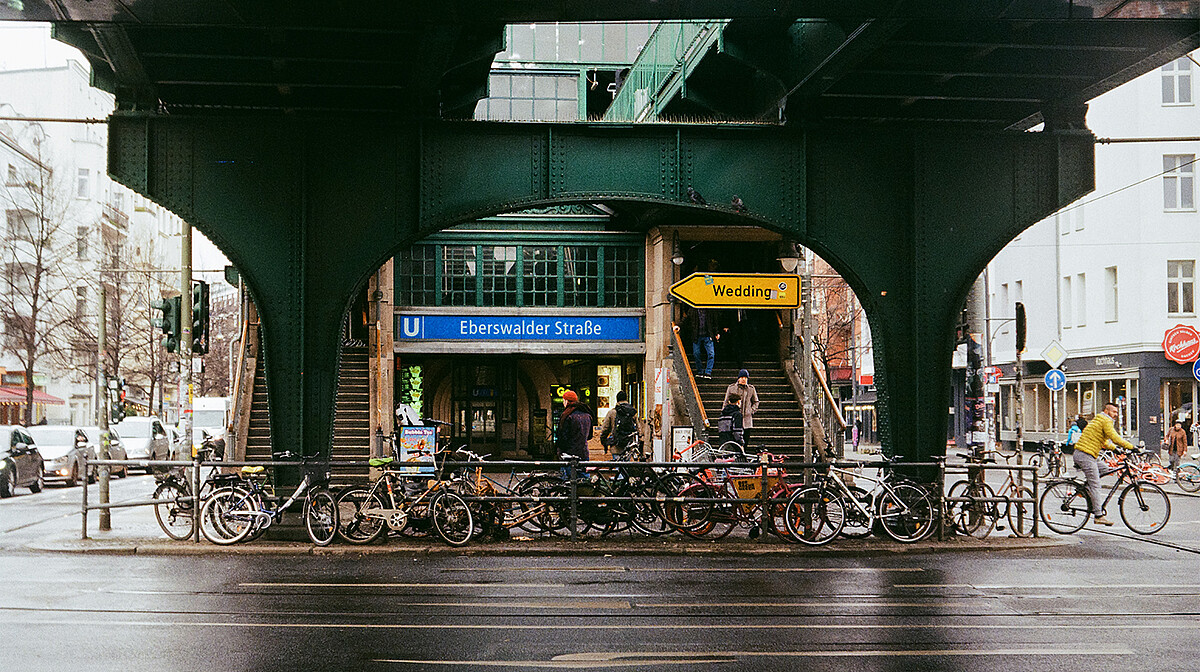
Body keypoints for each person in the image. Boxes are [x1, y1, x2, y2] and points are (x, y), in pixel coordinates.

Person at [1073, 402, 1134, 526]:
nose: (1116, 414)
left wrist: (1115, 449)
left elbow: (1104, 441)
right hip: (1085, 455)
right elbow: (1114, 437)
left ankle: (1084, 490)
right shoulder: (1105, 420)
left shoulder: (1099, 420)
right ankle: (1098, 516)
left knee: (1106, 469)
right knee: (1096, 485)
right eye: (1113, 412)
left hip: (1087, 454)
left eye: (1117, 412)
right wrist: (1132, 447)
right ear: (1106, 411)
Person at [723, 369, 760, 449]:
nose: (744, 379)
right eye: (742, 377)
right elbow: (726, 402)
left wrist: (751, 411)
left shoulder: (751, 388)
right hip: (734, 419)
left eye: (745, 378)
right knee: (734, 441)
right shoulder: (731, 388)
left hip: (746, 420)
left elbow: (756, 401)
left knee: (745, 441)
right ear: (738, 378)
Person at [555, 390, 593, 462]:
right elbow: (590, 436)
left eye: (564, 401)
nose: (563, 403)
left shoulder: (567, 415)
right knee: (583, 472)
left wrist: (560, 450)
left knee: (569, 473)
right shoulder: (587, 415)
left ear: (567, 401)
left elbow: (563, 436)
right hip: (583, 453)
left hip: (569, 454)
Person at [599, 391, 638, 457]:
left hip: (616, 445)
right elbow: (638, 428)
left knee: (617, 464)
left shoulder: (612, 412)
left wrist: (604, 441)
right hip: (628, 445)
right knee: (626, 465)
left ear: (617, 399)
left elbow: (605, 429)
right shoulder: (632, 412)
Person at [688, 307, 720, 379]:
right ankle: (700, 371)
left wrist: (716, 332)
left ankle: (708, 372)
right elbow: (686, 320)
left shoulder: (710, 310)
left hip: (708, 335)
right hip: (697, 335)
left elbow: (715, 322)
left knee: (711, 354)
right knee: (696, 354)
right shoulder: (693, 310)